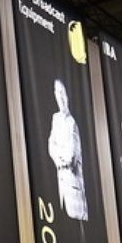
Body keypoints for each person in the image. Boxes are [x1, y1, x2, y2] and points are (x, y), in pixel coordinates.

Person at [47, 79, 88, 221]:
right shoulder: (55, 119)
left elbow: (71, 155)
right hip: (62, 185)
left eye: (62, 93)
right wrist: (59, 159)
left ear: (67, 96)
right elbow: (51, 145)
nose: (60, 97)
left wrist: (61, 157)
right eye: (58, 93)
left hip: (74, 187)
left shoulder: (72, 123)